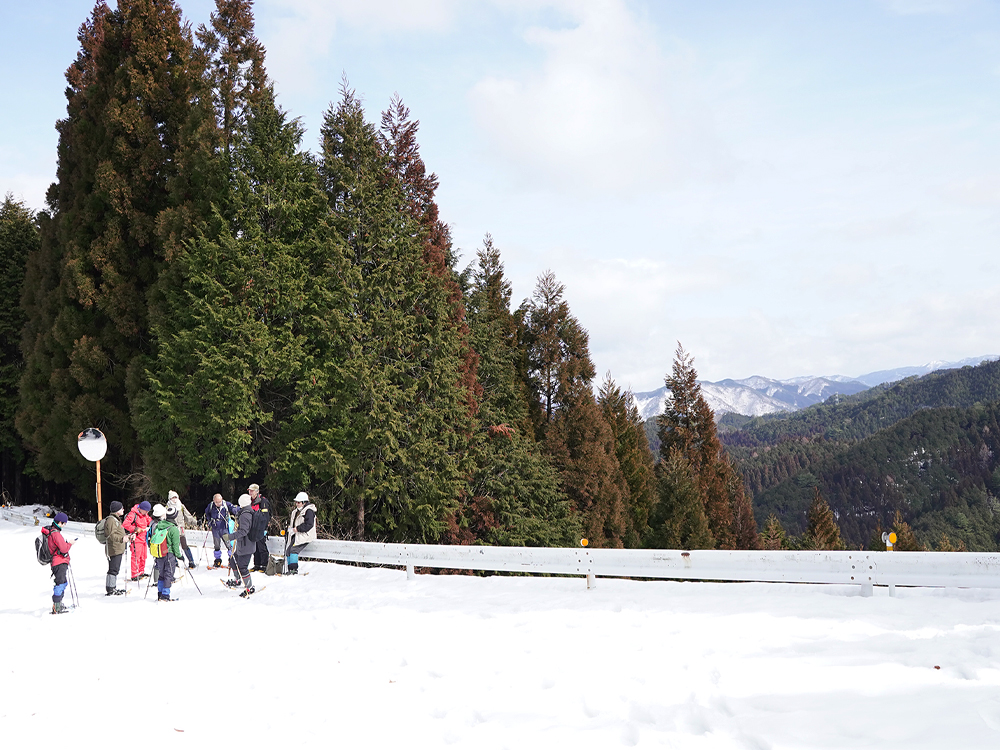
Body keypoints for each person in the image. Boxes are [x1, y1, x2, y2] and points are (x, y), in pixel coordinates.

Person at [41, 512, 74, 614]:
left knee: (61, 582)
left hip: (56, 562)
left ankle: (58, 604)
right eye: (64, 523)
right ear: (60, 522)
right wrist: (69, 543)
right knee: (60, 583)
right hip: (59, 562)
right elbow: (64, 549)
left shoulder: (51, 531)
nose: (64, 525)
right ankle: (57, 606)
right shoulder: (55, 533)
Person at [150, 504, 184, 602]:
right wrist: (179, 556)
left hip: (159, 553)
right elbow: (175, 545)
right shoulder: (173, 529)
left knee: (161, 574)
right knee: (168, 574)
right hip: (169, 554)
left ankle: (160, 594)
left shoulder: (159, 525)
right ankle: (165, 595)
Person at [225, 493, 256, 597]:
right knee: (233, 560)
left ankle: (249, 587)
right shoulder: (244, 512)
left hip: (246, 545)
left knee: (242, 567)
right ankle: (238, 580)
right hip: (242, 545)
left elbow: (243, 531)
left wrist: (230, 537)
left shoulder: (245, 514)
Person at [285, 491, 317, 575]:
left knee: (293, 550)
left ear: (304, 502)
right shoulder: (296, 511)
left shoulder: (309, 511)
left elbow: (309, 524)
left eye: (298, 502)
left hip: (305, 535)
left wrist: (297, 529)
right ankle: (289, 569)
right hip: (297, 534)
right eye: (296, 502)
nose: (296, 504)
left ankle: (294, 570)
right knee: (288, 551)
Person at [166, 490, 199, 569]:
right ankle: (174, 562)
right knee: (172, 546)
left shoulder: (181, 506)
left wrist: (196, 522)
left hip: (181, 529)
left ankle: (191, 561)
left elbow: (188, 517)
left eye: (175, 497)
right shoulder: (167, 507)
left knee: (184, 545)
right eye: (172, 498)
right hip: (171, 530)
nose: (174, 499)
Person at [205, 493, 238, 568]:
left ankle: (231, 559)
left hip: (224, 528)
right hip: (215, 528)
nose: (218, 504)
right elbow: (207, 513)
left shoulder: (226, 504)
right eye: (217, 502)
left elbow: (233, 508)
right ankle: (217, 560)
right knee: (216, 545)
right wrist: (209, 521)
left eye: (220, 502)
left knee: (228, 544)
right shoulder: (211, 506)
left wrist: (237, 512)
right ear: (214, 501)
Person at [122, 500, 152, 580]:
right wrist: (135, 529)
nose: (146, 512)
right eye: (145, 511)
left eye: (147, 511)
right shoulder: (133, 514)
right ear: (141, 509)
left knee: (143, 556)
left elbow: (149, 521)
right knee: (136, 556)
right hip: (136, 538)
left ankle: (141, 572)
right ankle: (134, 574)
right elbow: (125, 524)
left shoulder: (145, 514)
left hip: (143, 538)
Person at [103, 501, 128, 595]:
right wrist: (122, 539)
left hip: (117, 547)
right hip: (114, 548)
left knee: (115, 569)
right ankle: (110, 589)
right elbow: (111, 535)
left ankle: (112, 587)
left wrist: (127, 537)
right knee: (113, 569)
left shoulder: (116, 519)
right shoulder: (111, 520)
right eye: (121, 508)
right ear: (117, 510)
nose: (123, 510)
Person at [247, 483, 271, 572]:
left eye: (252, 491)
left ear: (257, 492)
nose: (250, 492)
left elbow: (266, 516)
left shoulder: (263, 501)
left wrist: (264, 528)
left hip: (260, 528)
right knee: (254, 547)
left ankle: (264, 565)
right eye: (249, 491)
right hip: (253, 528)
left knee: (262, 547)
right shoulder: (250, 501)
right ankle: (256, 564)